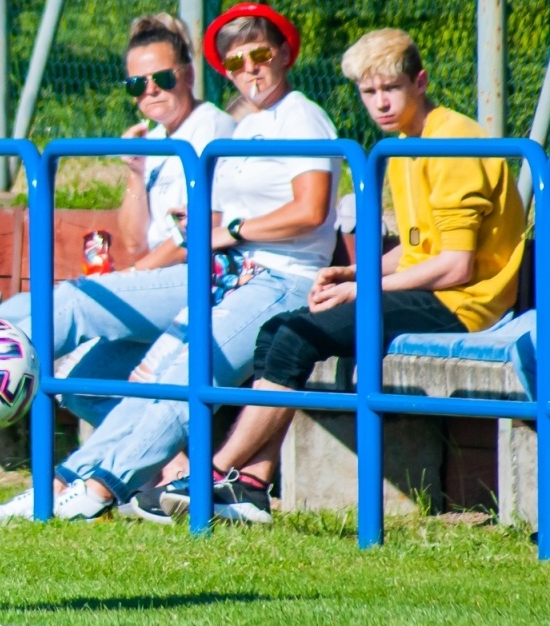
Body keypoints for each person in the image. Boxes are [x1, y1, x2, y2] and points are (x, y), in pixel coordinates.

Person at [0, 2, 339, 522]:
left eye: (259, 54)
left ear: (285, 52)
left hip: (279, 279)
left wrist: (227, 231)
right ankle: (58, 474)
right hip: (231, 272)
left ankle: (101, 487)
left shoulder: (298, 115)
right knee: (125, 353)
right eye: (235, 63)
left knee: (176, 378)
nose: (249, 70)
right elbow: (205, 222)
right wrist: (187, 213)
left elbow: (310, 210)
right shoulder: (247, 128)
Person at [152, 29, 526, 523]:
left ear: (420, 81)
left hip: (466, 302)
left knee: (298, 336)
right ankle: (252, 485)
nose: (380, 103)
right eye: (368, 93)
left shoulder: (452, 140)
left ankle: (210, 474)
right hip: (438, 288)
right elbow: (421, 250)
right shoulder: (403, 144)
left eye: (390, 89)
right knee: (280, 329)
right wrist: (355, 270)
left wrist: (362, 288)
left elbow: (457, 266)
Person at [0, 13, 234, 515]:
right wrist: (135, 173)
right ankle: (172, 469)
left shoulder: (212, 129)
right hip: (168, 282)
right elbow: (133, 240)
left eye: (163, 78)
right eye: (137, 84)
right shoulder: (153, 139)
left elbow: (197, 235)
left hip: (210, 281)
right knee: (83, 380)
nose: (150, 92)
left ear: (189, 73)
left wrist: (131, 278)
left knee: (76, 301)